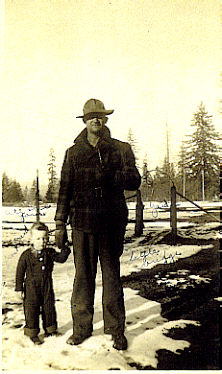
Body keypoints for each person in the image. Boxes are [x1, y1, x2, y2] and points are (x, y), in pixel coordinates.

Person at [55, 98, 141, 350]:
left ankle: (116, 330)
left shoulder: (120, 149)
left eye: (100, 116)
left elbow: (135, 180)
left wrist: (113, 176)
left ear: (105, 119)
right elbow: (64, 190)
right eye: (91, 116)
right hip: (81, 223)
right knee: (83, 277)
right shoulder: (73, 153)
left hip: (111, 222)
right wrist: (60, 222)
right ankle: (81, 328)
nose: (96, 120)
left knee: (112, 276)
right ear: (84, 120)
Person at [15, 222, 71, 345]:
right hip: (31, 288)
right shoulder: (26, 256)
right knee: (31, 310)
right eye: (38, 238)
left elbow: (61, 259)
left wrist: (65, 249)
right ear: (31, 239)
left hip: (47, 286)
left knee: (49, 308)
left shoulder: (49, 252)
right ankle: (33, 333)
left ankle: (50, 329)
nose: (42, 241)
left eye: (45, 238)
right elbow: (20, 273)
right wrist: (19, 289)